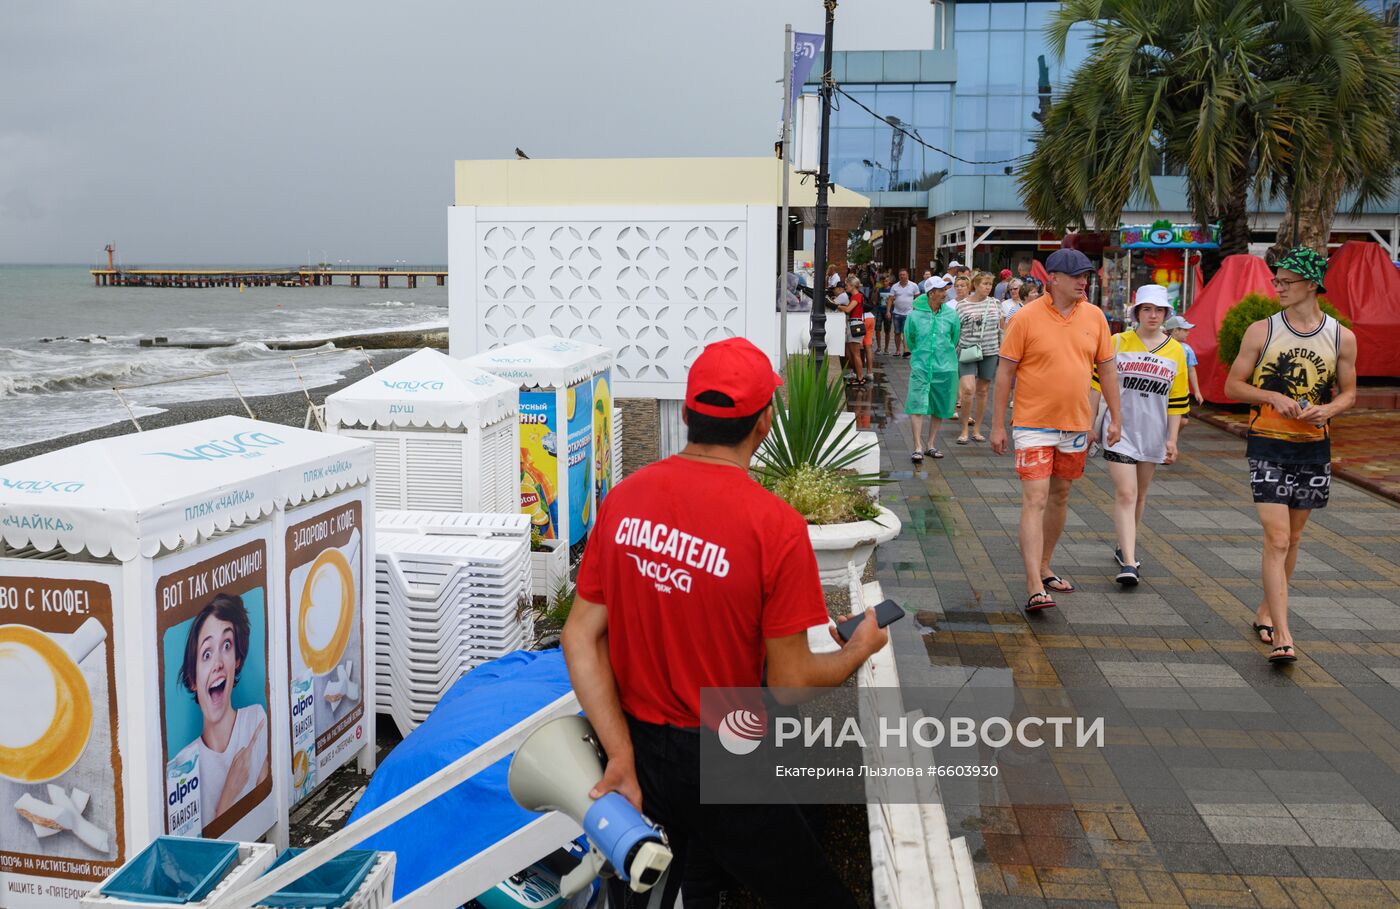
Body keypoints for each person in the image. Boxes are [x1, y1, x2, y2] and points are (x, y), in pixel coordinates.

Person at [562, 337, 888, 908]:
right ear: (764, 423)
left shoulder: (625, 499)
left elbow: (579, 637)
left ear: (688, 413)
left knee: (657, 879)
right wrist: (858, 649)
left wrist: (619, 753)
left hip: (638, 740)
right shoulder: (774, 526)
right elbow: (789, 683)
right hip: (723, 744)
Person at [1223, 247, 1357, 664]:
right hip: (1267, 443)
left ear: (1311, 284)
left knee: (1294, 538)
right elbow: (1232, 386)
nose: (1277, 287)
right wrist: (1270, 396)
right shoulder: (1261, 331)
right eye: (1276, 281)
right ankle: (1283, 633)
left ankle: (1265, 611)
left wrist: (1330, 409)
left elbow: (1350, 392)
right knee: (1277, 538)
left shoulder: (1341, 336)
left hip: (1314, 448)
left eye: (1286, 281)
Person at [990, 248, 1122, 612]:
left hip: (1076, 424)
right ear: (1054, 279)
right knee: (1035, 498)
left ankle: (1045, 566)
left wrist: (1116, 418)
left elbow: (1107, 370)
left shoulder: (1095, 317)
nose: (1084, 282)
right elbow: (1004, 373)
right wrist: (998, 425)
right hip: (1033, 423)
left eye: (1086, 276)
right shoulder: (1025, 318)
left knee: (1060, 496)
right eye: (1077, 276)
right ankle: (1034, 584)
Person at [1088, 285, 1189, 586]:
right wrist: (1090, 424)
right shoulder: (1118, 342)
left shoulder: (1176, 352)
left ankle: (1124, 545)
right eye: (1147, 309)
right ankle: (1130, 562)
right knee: (1126, 493)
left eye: (1159, 310)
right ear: (1137, 312)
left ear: (1166, 314)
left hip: (1153, 434)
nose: (1153, 315)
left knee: (1140, 495)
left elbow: (1177, 401)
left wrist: (1172, 440)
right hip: (1120, 431)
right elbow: (1097, 385)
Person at [173, 593, 270, 826]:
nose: (217, 663)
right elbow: (198, 853)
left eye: (226, 646)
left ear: (236, 659)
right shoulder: (182, 768)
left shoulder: (256, 721)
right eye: (207, 654)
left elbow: (265, 814)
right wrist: (231, 789)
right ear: (193, 679)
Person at [904, 277, 960, 463]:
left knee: (939, 406)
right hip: (921, 366)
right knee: (917, 404)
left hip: (944, 367)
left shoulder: (951, 315)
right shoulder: (914, 316)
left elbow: (954, 338)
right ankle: (917, 447)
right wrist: (921, 354)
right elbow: (910, 339)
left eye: (945, 290)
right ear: (931, 293)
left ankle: (931, 444)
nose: (945, 293)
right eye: (941, 290)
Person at [954, 271, 1004, 445]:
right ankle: (964, 429)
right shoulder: (962, 306)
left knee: (983, 391)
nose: (988, 287)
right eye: (984, 284)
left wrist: (1003, 349)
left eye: (990, 284)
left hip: (990, 351)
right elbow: (955, 330)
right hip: (967, 350)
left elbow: (1001, 329)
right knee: (968, 389)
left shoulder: (996, 304)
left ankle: (977, 429)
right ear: (975, 285)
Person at [1165, 315, 1205, 405]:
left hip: (1181, 393)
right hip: (1162, 393)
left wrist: (1197, 391)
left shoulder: (1187, 349)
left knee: (1183, 419)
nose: (1188, 333)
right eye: (1185, 330)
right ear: (1176, 331)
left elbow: (1191, 370)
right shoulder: (1160, 346)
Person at [889, 268, 920, 358]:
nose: (902, 276)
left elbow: (917, 299)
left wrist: (916, 310)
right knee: (897, 332)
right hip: (897, 312)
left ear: (907, 275)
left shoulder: (914, 286)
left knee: (906, 332)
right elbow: (890, 299)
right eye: (900, 275)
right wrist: (888, 311)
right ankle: (897, 350)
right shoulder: (894, 286)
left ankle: (906, 350)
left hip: (909, 313)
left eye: (904, 274)